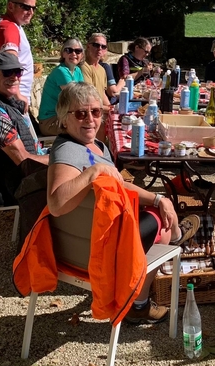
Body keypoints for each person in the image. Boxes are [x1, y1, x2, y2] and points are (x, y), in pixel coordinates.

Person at [47, 83, 199, 324]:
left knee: (157, 213)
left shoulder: (93, 146)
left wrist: (159, 198)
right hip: (101, 253)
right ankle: (139, 301)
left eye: (95, 112)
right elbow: (56, 204)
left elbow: (116, 183)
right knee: (163, 227)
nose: (90, 119)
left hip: (89, 243)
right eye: (80, 113)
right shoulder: (68, 151)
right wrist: (93, 172)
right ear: (64, 120)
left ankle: (140, 303)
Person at [0, 52, 49, 205]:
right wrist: (59, 159)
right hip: (14, 193)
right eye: (7, 72)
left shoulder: (7, 103)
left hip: (26, 182)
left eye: (18, 72)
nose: (14, 77)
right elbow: (24, 161)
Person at [0, 0, 37, 107]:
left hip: (6, 93)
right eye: (26, 7)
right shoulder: (9, 27)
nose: (30, 12)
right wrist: (18, 95)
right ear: (11, 6)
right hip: (12, 98)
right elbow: (10, 61)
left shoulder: (4, 23)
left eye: (33, 8)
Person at [38, 38, 85, 135]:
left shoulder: (77, 71)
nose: (74, 54)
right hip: (50, 121)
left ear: (82, 55)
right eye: (69, 50)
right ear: (63, 54)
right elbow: (74, 97)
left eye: (78, 51)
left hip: (64, 117)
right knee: (83, 128)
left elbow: (84, 95)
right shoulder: (61, 71)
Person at [79, 33, 111, 109]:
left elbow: (102, 94)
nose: (100, 48)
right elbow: (88, 97)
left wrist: (111, 108)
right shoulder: (84, 66)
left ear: (106, 50)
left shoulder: (102, 69)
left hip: (99, 110)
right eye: (96, 45)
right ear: (88, 46)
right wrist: (109, 109)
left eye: (103, 47)